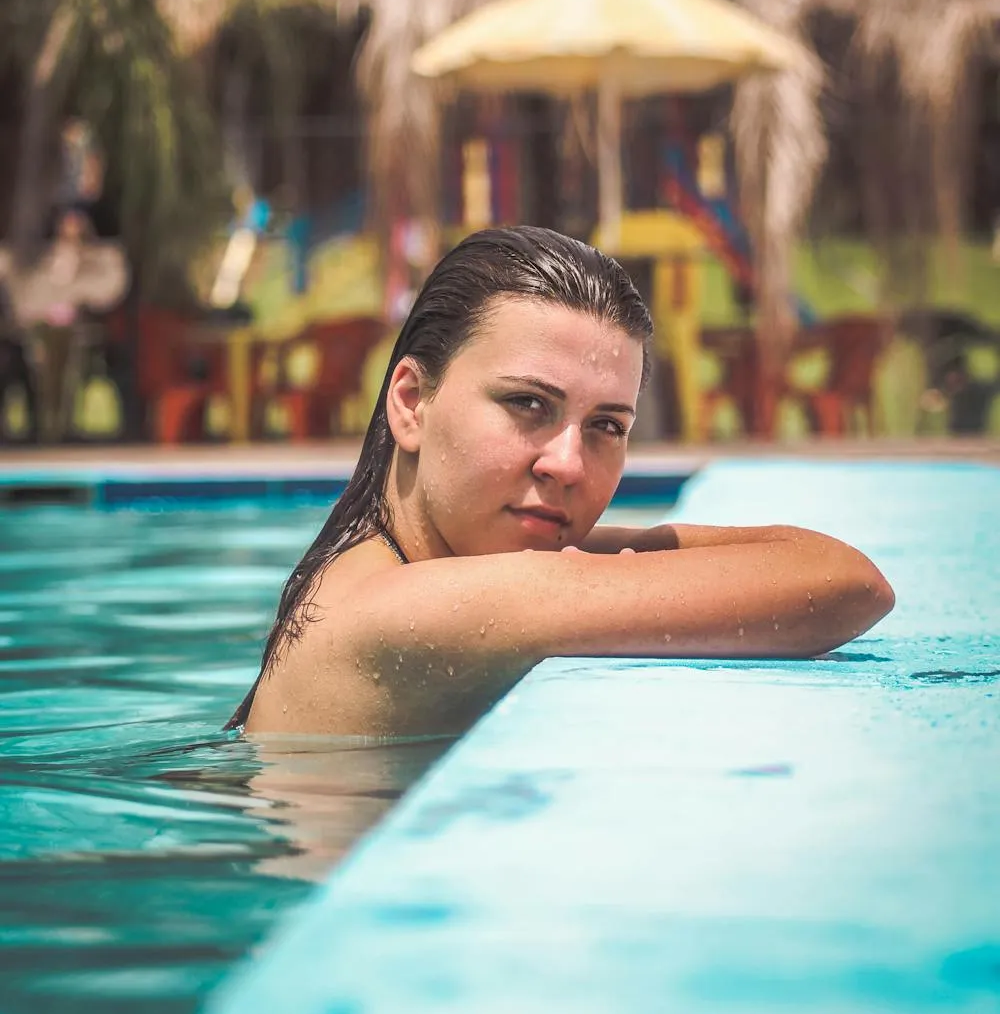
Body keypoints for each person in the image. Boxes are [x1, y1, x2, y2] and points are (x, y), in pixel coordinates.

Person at [228, 226, 893, 737]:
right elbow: (846, 584)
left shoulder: (383, 567)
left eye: (607, 425)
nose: (568, 464)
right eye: (527, 404)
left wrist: (599, 555)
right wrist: (606, 560)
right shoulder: (403, 610)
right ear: (411, 403)